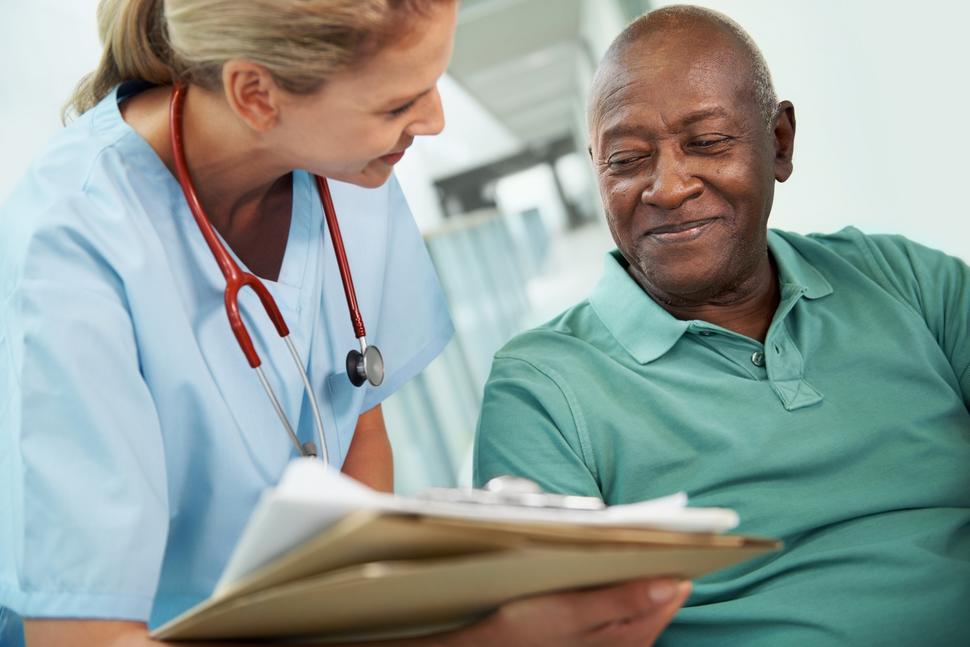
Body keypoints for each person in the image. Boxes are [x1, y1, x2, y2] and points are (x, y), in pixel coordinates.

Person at [0, 1, 692, 645]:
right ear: (255, 95)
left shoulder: (351, 172)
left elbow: (359, 423)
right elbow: (84, 635)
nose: (434, 120)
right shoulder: (71, 249)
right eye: (398, 102)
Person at [475, 5, 970, 646]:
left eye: (707, 143)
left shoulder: (907, 280)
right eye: (626, 159)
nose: (669, 186)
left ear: (780, 143)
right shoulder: (542, 390)